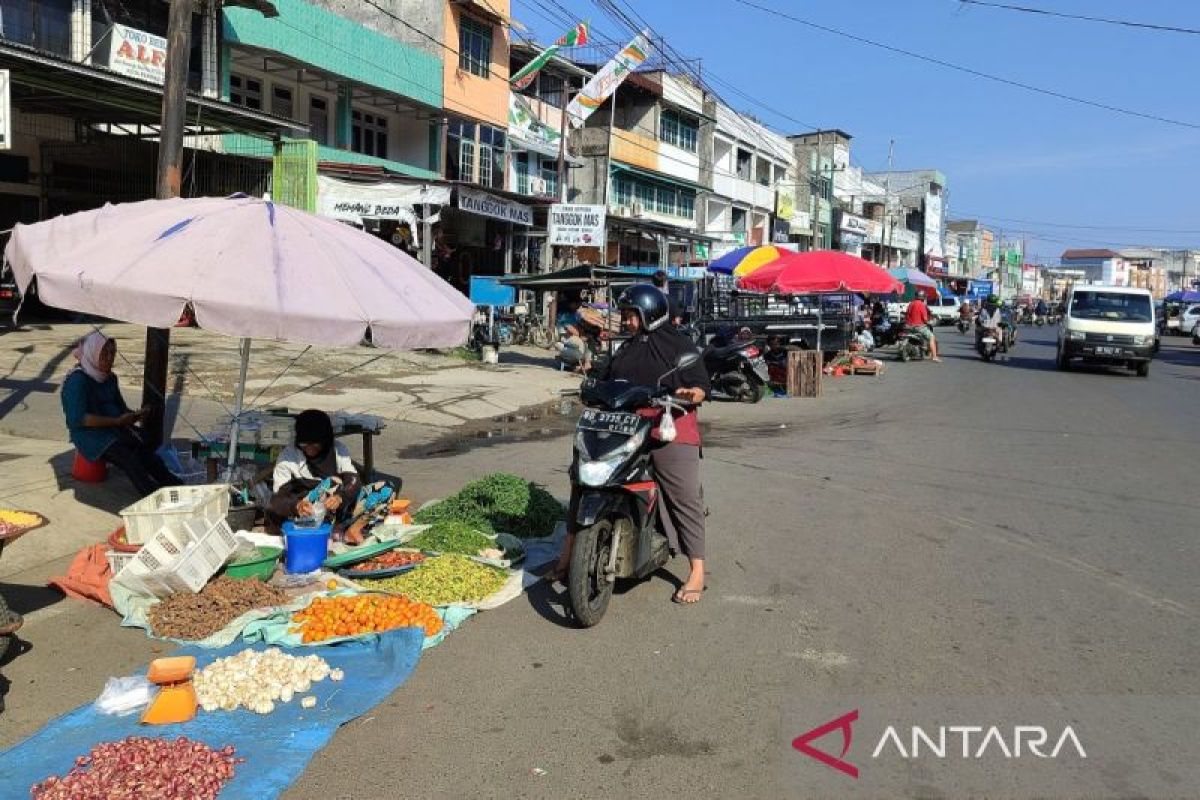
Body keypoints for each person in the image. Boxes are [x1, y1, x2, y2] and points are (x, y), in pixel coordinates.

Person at [548, 285, 711, 605]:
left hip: (668, 425)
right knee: (582, 475)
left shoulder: (678, 345)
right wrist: (590, 380)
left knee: (682, 493)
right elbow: (605, 378)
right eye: (624, 315)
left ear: (649, 313)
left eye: (630, 315)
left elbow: (700, 386)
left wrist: (690, 394)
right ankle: (568, 552)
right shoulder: (625, 348)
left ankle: (697, 570)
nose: (625, 321)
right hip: (626, 425)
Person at [60, 332, 182, 497]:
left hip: (113, 428)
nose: (110, 358)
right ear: (93, 353)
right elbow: (79, 419)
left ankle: (175, 486)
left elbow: (121, 409)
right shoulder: (78, 380)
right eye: (105, 353)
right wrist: (117, 421)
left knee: (146, 451)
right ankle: (152, 496)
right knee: (129, 458)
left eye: (113, 353)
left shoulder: (110, 378)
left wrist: (138, 415)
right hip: (89, 434)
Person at [268, 410, 399, 544]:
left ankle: (352, 531)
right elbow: (277, 499)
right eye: (304, 444)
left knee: (387, 488)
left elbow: (354, 480)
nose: (309, 448)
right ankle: (328, 534)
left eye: (314, 443)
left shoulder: (337, 449)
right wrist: (296, 505)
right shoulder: (288, 457)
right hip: (307, 516)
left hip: (340, 508)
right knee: (332, 482)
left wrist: (340, 497)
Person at [903, 294, 941, 362]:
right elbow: (925, 319)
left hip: (908, 326)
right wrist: (929, 322)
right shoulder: (922, 305)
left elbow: (907, 314)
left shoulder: (911, 304)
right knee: (931, 337)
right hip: (919, 327)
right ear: (923, 297)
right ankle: (935, 357)